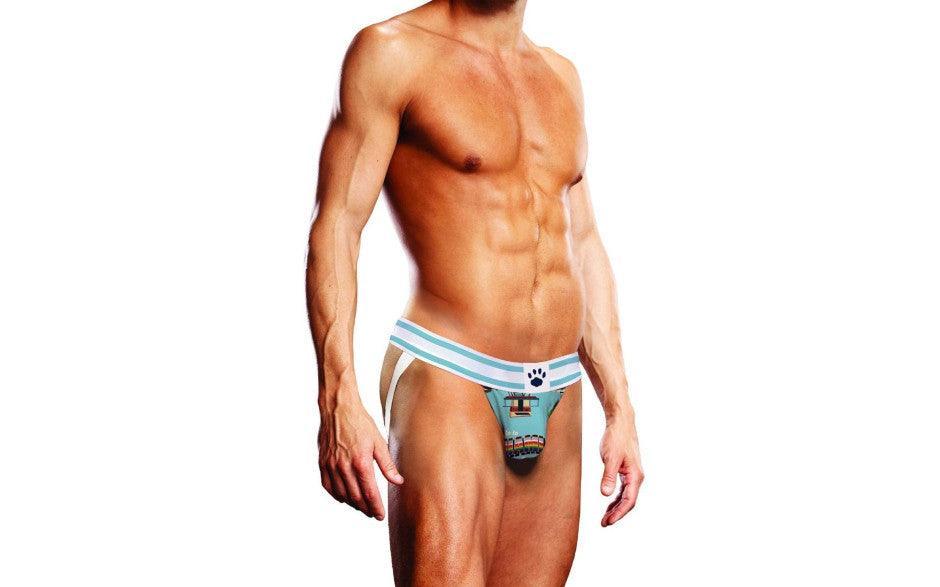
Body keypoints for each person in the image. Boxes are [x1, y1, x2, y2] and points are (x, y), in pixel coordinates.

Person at [306, 1, 643, 583]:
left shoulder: (561, 76)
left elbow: (584, 244)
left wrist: (620, 406)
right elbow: (336, 224)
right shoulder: (392, 52)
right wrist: (337, 396)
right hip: (450, 370)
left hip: (558, 386)